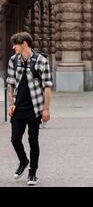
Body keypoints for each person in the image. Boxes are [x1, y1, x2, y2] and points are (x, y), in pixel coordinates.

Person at [6, 32, 53, 186]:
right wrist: (11, 103)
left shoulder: (41, 61)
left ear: (24, 43)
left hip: (35, 108)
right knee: (14, 139)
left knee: (33, 140)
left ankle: (32, 173)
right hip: (18, 108)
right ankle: (23, 161)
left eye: (15, 44)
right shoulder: (13, 61)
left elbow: (47, 87)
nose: (13, 48)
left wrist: (46, 110)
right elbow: (10, 84)